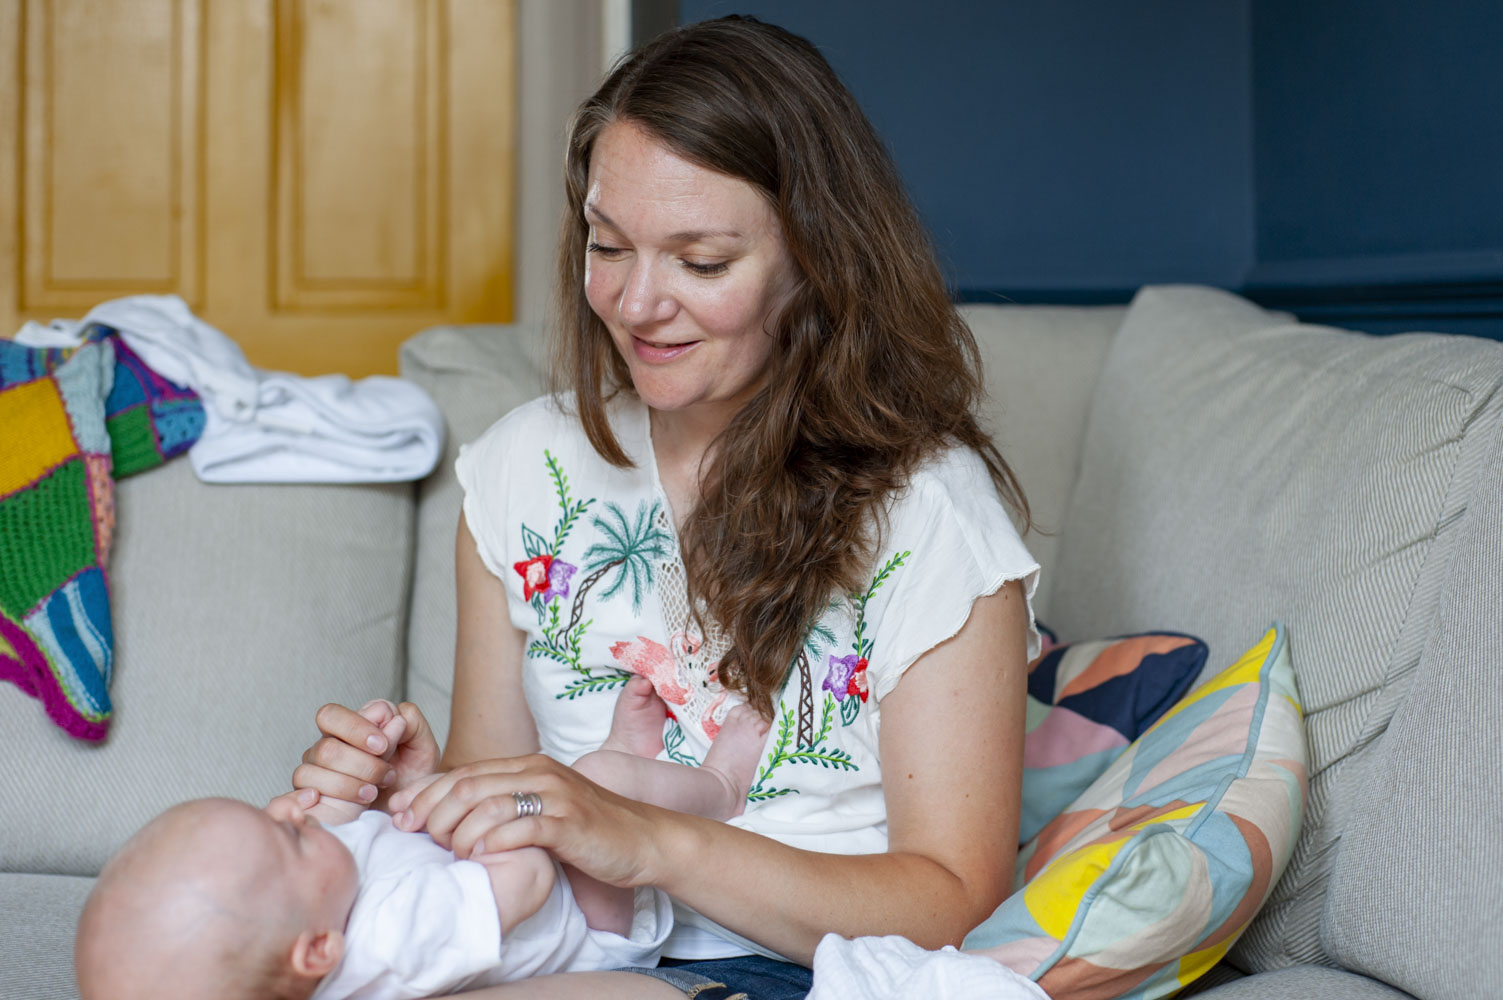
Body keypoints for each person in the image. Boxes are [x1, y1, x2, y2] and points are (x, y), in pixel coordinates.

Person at [293, 15, 1040, 1000]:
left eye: (701, 262)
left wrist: (648, 840)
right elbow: (503, 803)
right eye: (609, 246)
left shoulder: (929, 512)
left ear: (815, 260)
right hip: (560, 947)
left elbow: (953, 897)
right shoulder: (522, 469)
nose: (637, 303)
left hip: (791, 967)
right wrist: (421, 802)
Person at [74, 684, 769, 1000]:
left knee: (588, 787)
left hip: (537, 874)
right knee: (595, 778)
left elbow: (364, 839)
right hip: (591, 922)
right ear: (318, 951)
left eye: (270, 813)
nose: (291, 815)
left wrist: (395, 783)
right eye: (286, 840)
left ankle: (622, 771)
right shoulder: (390, 944)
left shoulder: (315, 905)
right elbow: (524, 876)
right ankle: (720, 785)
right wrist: (439, 802)